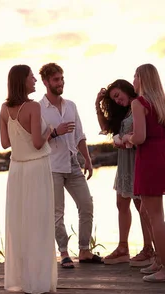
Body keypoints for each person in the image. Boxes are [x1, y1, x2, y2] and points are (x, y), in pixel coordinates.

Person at [0, 64, 61, 294]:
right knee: (40, 224)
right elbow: (37, 143)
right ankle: (39, 282)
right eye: (31, 76)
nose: (35, 79)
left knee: (21, 225)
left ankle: (24, 280)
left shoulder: (4, 109)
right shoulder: (33, 107)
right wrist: (49, 131)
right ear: (22, 81)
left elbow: (5, 143)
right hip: (36, 168)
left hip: (16, 170)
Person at [39, 62, 103, 268]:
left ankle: (84, 250)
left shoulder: (71, 106)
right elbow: (37, 141)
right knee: (58, 212)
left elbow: (79, 136)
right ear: (46, 82)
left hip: (73, 164)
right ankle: (64, 253)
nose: (60, 83)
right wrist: (56, 131)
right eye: (56, 79)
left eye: (62, 79)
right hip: (52, 167)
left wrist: (88, 159)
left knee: (87, 205)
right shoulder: (38, 109)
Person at [123, 63, 165, 282]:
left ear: (142, 79)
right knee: (146, 209)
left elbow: (140, 137)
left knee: (156, 216)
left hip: (149, 158)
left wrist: (127, 138)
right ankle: (159, 260)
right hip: (164, 156)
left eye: (135, 76)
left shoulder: (139, 103)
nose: (133, 80)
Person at [95, 79, 157, 267]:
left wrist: (123, 139)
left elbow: (141, 134)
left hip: (138, 160)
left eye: (117, 96)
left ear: (125, 89)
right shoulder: (124, 111)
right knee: (121, 203)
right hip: (124, 162)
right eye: (113, 99)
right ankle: (123, 248)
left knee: (141, 206)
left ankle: (149, 249)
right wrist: (97, 107)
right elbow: (106, 129)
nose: (117, 100)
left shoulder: (140, 104)